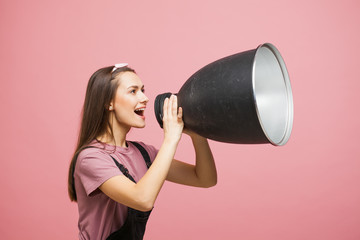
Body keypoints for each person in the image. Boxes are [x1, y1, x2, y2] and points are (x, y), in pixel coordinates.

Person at [67, 63, 217, 240]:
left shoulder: (144, 153)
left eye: (143, 90)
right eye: (133, 91)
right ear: (109, 102)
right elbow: (142, 199)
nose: (145, 98)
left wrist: (197, 135)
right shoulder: (91, 158)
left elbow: (205, 179)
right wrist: (170, 138)